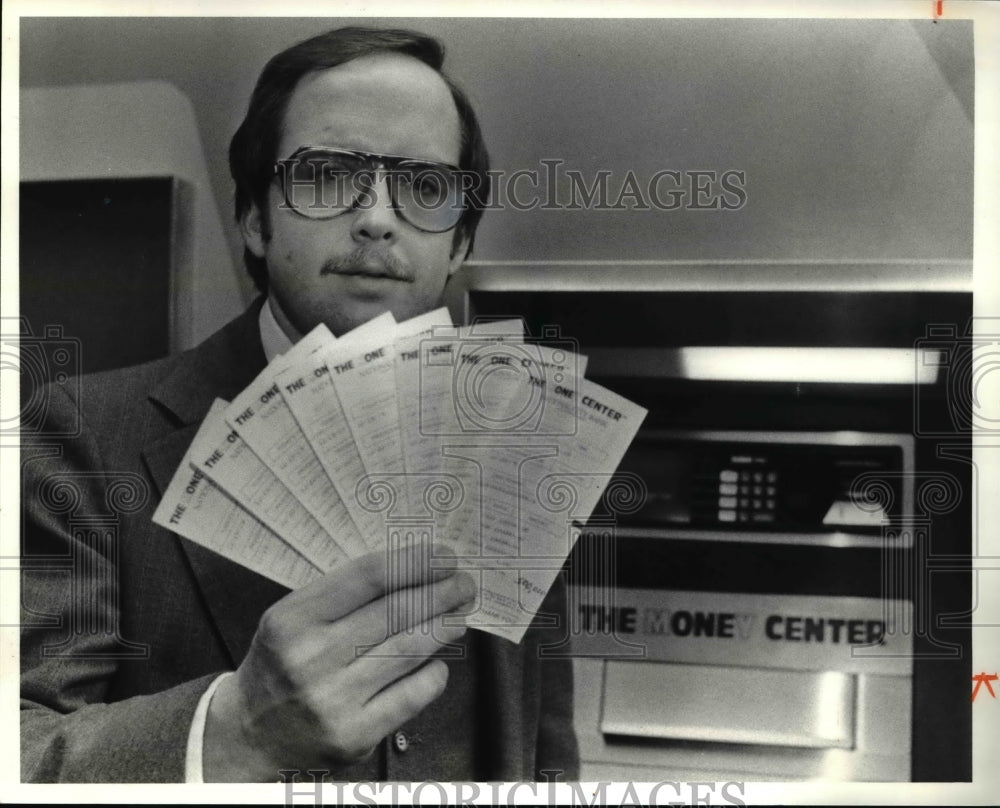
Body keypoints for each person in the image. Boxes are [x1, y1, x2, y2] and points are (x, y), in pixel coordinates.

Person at [20, 26, 579, 783]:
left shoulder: (514, 441)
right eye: (326, 174)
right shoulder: (82, 434)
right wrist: (230, 732)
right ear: (256, 218)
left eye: (424, 186)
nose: (377, 217)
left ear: (457, 243)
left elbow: (545, 751)